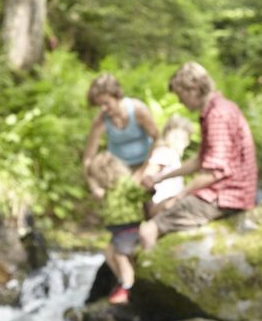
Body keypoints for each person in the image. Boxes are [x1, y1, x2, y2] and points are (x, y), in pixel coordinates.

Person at [139, 61, 257, 249]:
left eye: (180, 95)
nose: (180, 101)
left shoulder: (217, 115)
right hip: (228, 192)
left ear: (193, 88)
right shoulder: (218, 108)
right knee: (160, 208)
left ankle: (147, 272)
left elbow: (215, 172)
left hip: (226, 196)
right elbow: (200, 160)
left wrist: (180, 196)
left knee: (148, 230)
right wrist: (159, 178)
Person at [86, 151, 151, 304]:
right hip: (118, 230)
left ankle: (127, 287)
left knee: (120, 256)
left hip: (129, 228)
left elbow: (140, 193)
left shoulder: (125, 183)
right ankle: (123, 280)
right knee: (108, 250)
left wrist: (148, 190)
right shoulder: (110, 189)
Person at [83, 73, 159, 199]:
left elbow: (157, 139)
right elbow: (88, 159)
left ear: (116, 96)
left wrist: (141, 172)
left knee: (147, 196)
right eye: (99, 105)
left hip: (147, 163)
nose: (103, 109)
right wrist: (94, 186)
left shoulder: (138, 111)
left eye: (106, 103)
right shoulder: (100, 121)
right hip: (119, 170)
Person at [142, 114, 195, 217]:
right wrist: (149, 179)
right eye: (175, 137)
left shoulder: (173, 155)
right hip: (163, 202)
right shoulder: (165, 152)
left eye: (182, 139)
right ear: (166, 135)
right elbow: (149, 172)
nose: (178, 142)